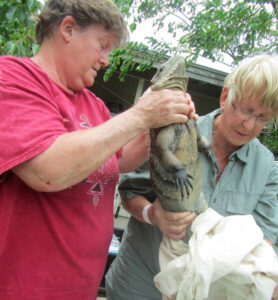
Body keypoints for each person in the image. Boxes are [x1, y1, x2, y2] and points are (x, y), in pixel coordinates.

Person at [0, 0, 194, 299]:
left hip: (80, 285)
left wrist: (163, 122)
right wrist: (141, 115)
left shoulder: (94, 105)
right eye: (102, 45)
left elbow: (122, 159)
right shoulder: (13, 77)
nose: (106, 60)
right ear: (68, 28)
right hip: (25, 287)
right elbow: (47, 171)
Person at [105, 54, 278, 300]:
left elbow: (265, 239)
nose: (249, 125)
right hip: (139, 286)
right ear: (226, 96)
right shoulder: (175, 125)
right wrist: (152, 214)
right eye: (246, 110)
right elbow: (129, 192)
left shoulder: (267, 168)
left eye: (262, 118)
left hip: (201, 292)